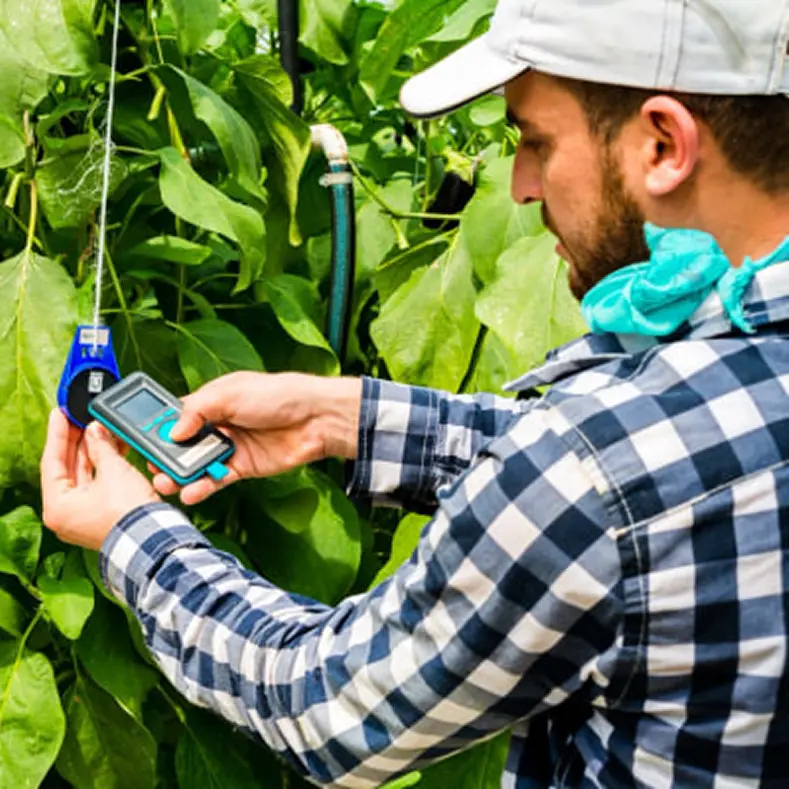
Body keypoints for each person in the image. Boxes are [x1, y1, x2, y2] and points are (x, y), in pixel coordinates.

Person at [40, 0, 789, 785]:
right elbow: (671, 469)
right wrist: (341, 417)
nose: (519, 185)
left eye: (536, 140)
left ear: (663, 144)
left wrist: (134, 535)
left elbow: (323, 704)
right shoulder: (689, 423)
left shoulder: (586, 476)